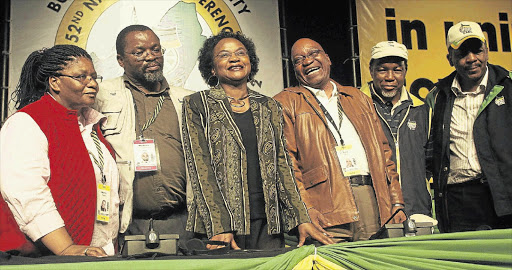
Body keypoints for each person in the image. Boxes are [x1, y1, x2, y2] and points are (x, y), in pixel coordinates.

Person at [182, 31, 334, 250]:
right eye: (224, 55)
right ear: (212, 68)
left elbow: (283, 166)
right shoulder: (196, 104)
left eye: (240, 53)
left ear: (250, 62)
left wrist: (301, 216)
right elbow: (200, 169)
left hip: (268, 224)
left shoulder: (269, 106)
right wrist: (218, 226)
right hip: (221, 228)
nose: (234, 58)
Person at [274, 38, 406, 243]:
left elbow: (384, 153)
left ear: (327, 58)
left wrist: (396, 202)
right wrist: (304, 210)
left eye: (313, 53)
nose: (307, 61)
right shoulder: (286, 102)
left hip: (371, 200)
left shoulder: (358, 98)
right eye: (299, 59)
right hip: (324, 208)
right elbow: (287, 165)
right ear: (294, 69)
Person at [0, 44, 119, 256]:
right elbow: (28, 194)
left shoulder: (92, 125)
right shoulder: (27, 122)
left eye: (94, 77)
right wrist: (65, 247)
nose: (92, 84)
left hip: (95, 255)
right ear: (54, 82)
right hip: (45, 259)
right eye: (81, 77)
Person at [93, 25, 194, 244]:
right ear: (121, 60)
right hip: (125, 224)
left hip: (181, 223)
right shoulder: (100, 96)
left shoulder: (186, 100)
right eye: (139, 52)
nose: (150, 57)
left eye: (155, 49)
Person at [426, 21, 512, 232]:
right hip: (458, 199)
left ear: (487, 51)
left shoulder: (508, 86)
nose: (472, 58)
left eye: (477, 50)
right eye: (463, 53)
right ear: (450, 59)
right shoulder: (437, 96)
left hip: (504, 195)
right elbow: (427, 151)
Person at [360, 41, 433, 220]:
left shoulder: (422, 110)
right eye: (382, 69)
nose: (390, 77)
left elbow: (430, 165)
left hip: (417, 210)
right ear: (371, 70)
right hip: (373, 213)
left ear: (405, 71)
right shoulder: (357, 107)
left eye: (397, 70)